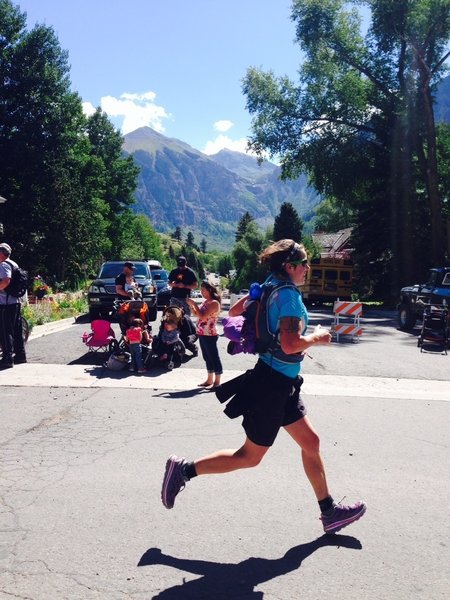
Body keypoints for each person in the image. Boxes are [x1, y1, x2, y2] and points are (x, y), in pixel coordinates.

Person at [161, 239, 366, 534]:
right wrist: (318, 338)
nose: (308, 269)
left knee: (311, 442)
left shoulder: (271, 284)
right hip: (272, 386)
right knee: (249, 457)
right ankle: (183, 470)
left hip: (281, 382)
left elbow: (235, 311)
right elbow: (291, 343)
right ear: (290, 266)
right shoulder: (289, 297)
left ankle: (329, 511)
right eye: (304, 263)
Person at [186, 280, 223, 387]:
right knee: (207, 357)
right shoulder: (206, 302)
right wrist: (191, 306)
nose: (202, 292)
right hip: (202, 333)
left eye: (203, 290)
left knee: (213, 357)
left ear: (210, 290)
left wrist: (194, 304)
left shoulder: (214, 303)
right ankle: (209, 380)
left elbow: (202, 316)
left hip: (210, 334)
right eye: (201, 290)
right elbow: (197, 314)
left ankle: (217, 382)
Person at [0, 243, 27, 369]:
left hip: (6, 303)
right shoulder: (14, 263)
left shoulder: (4, 264)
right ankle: (20, 355)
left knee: (6, 331)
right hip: (15, 302)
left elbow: (6, 281)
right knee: (16, 330)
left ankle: (7, 358)